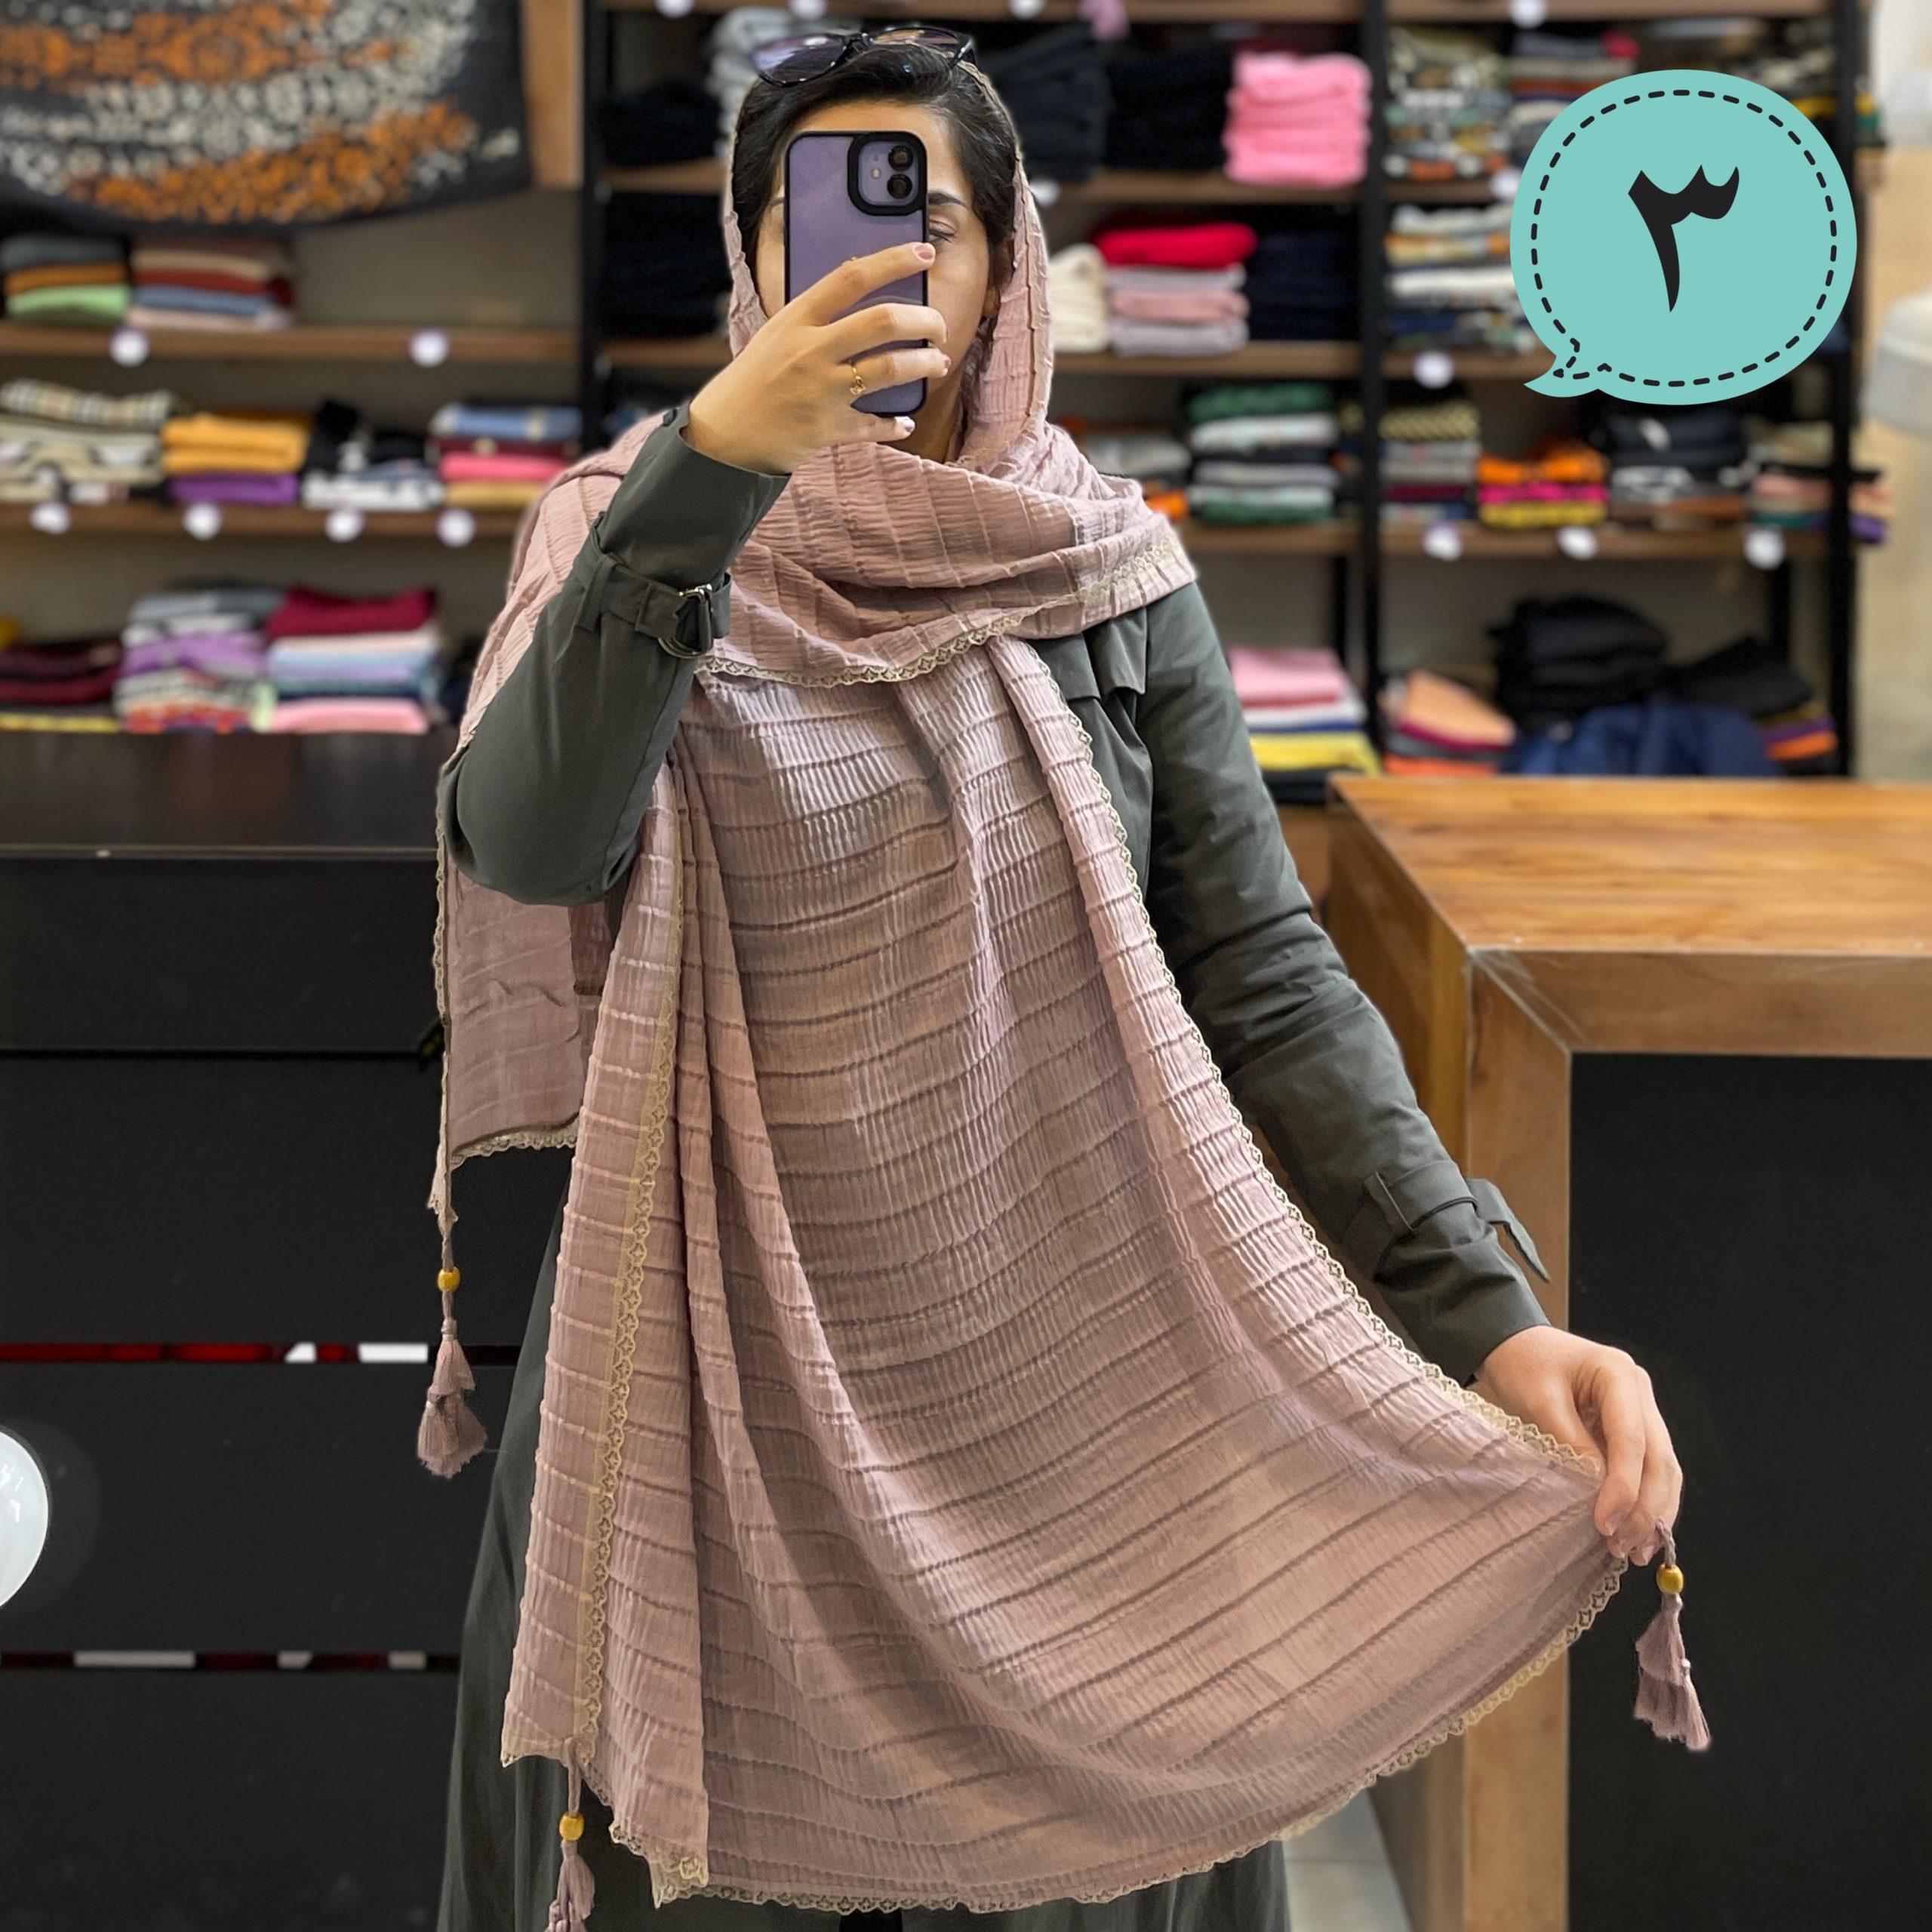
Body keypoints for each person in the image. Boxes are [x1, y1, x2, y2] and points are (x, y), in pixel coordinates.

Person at [432, 32, 1684, 1932]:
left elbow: (1261, 976)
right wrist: (715, 473)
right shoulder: (627, 527)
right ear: (749, 261)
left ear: (1004, 257)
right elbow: (526, 836)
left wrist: (1492, 1319)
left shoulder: (1101, 568)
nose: (881, 262)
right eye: (817, 221)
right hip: (711, 1392)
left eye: (925, 217)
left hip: (1081, 1407)